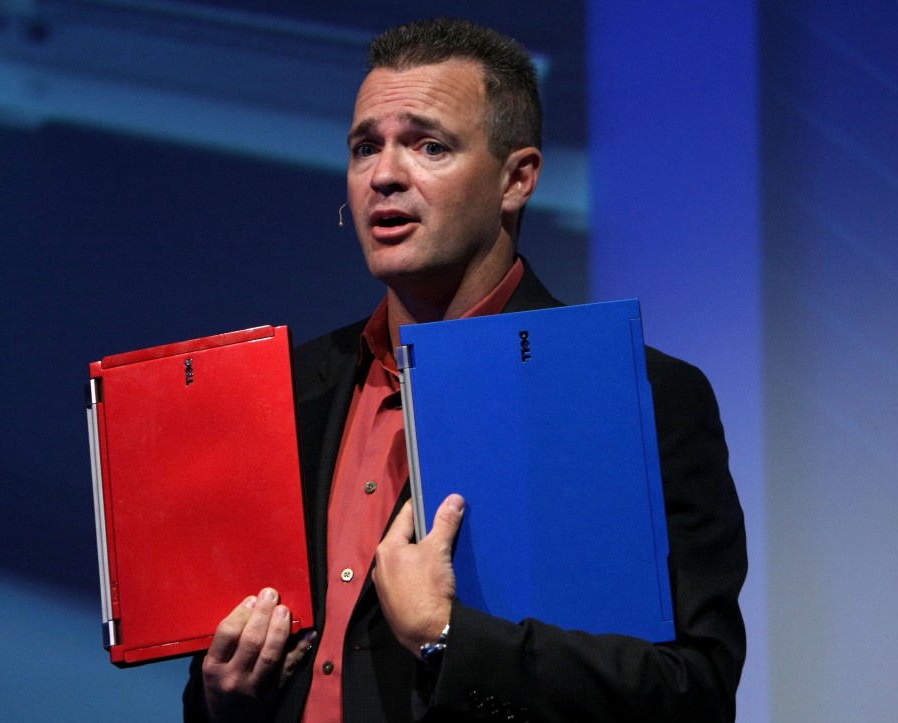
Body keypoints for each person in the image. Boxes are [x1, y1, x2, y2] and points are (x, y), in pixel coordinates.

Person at [184, 17, 746, 722]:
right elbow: (236, 669)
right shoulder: (291, 389)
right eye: (365, 148)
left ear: (517, 179)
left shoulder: (635, 395)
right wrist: (221, 696)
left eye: (428, 145)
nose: (385, 175)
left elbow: (694, 690)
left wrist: (447, 637)